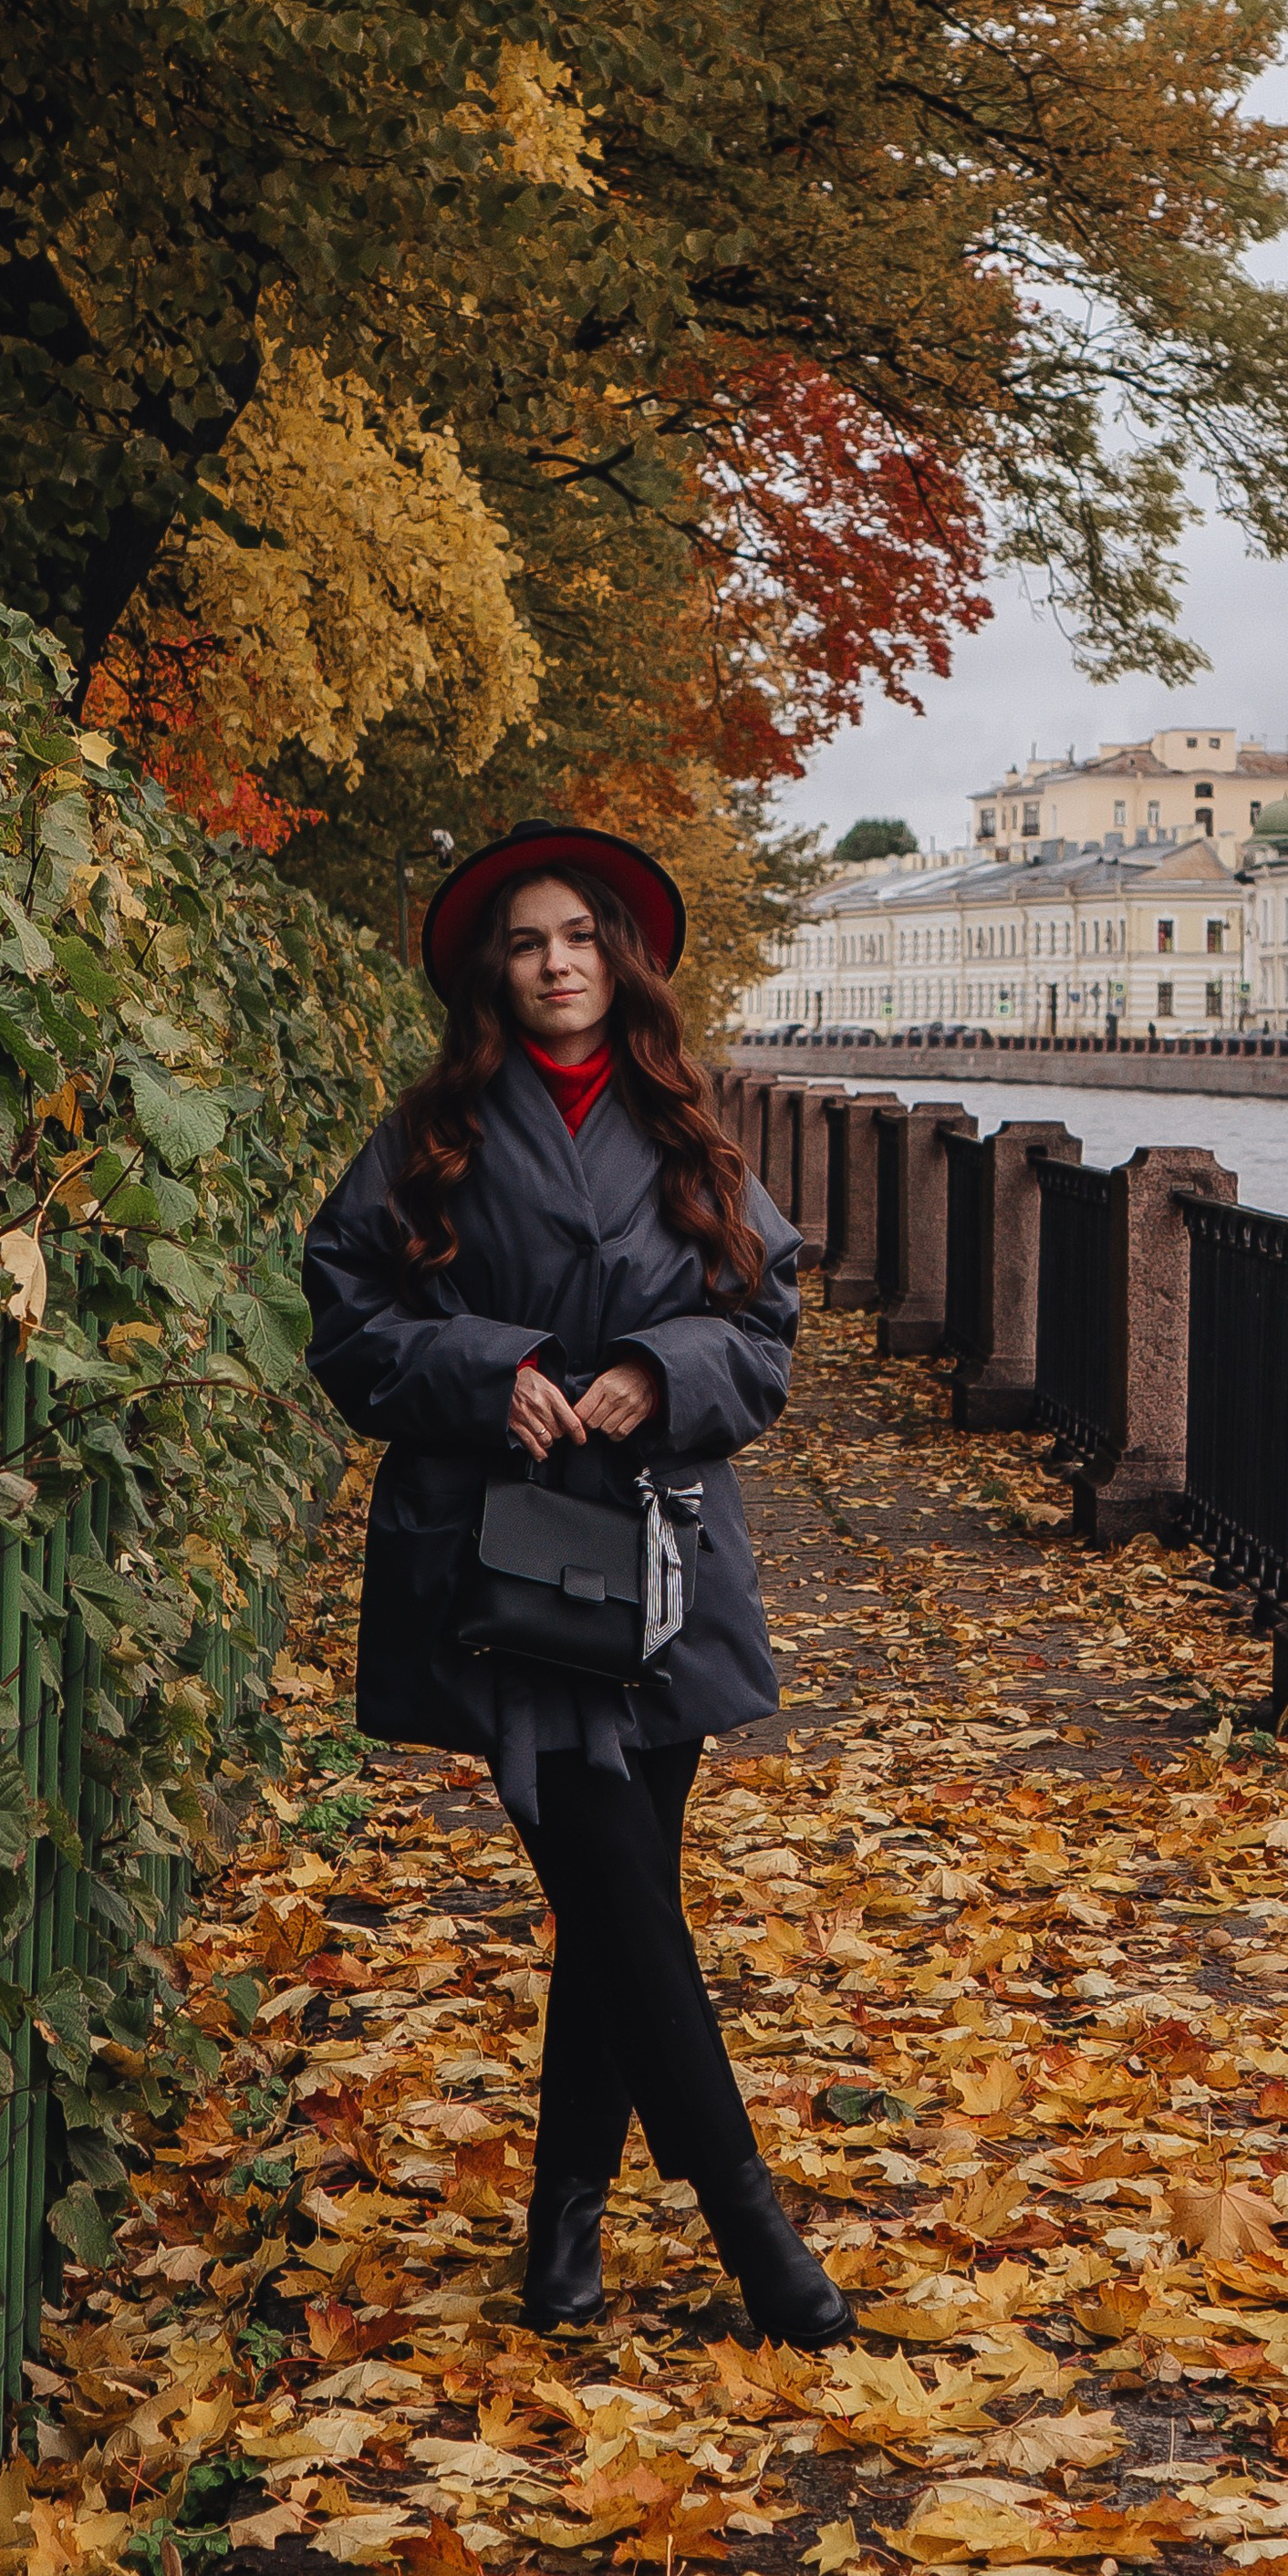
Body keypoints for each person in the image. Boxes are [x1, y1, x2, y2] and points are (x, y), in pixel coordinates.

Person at [301, 819, 854, 2347]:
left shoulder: (689, 1128)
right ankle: (757, 2237)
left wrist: (650, 1373)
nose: (558, 964)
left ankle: (566, 2241)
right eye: (531, 941)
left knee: (620, 1910)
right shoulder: (433, 1133)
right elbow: (348, 1323)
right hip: (502, 1562)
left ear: (624, 962)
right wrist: (502, 1373)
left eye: (583, 939)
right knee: (616, 1892)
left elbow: (763, 1330)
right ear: (499, 967)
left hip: (661, 1562)